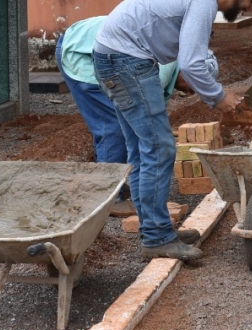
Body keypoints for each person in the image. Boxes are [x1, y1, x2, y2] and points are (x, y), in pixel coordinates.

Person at [92, 0, 252, 261]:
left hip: (113, 57)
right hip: (126, 62)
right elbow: (190, 64)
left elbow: (193, 56)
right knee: (160, 149)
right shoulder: (202, 1)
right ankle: (158, 238)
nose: (247, 8)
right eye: (250, 0)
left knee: (140, 151)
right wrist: (218, 97)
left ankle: (155, 229)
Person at [56, 16, 217, 228]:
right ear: (189, 74)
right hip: (79, 51)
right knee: (113, 127)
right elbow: (144, 115)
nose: (193, 91)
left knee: (120, 125)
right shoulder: (163, 69)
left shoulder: (171, 63)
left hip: (91, 44)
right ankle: (111, 197)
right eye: (196, 85)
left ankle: (118, 183)